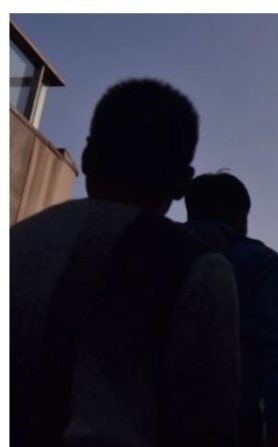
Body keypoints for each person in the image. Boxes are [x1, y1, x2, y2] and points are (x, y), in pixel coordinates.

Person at [10, 79, 241, 447]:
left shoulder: (17, 247)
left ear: (87, 157)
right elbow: (211, 423)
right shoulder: (199, 271)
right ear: (183, 183)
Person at [184, 172, 278, 447]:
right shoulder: (262, 263)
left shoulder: (154, 249)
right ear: (240, 217)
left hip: (146, 419)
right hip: (233, 418)